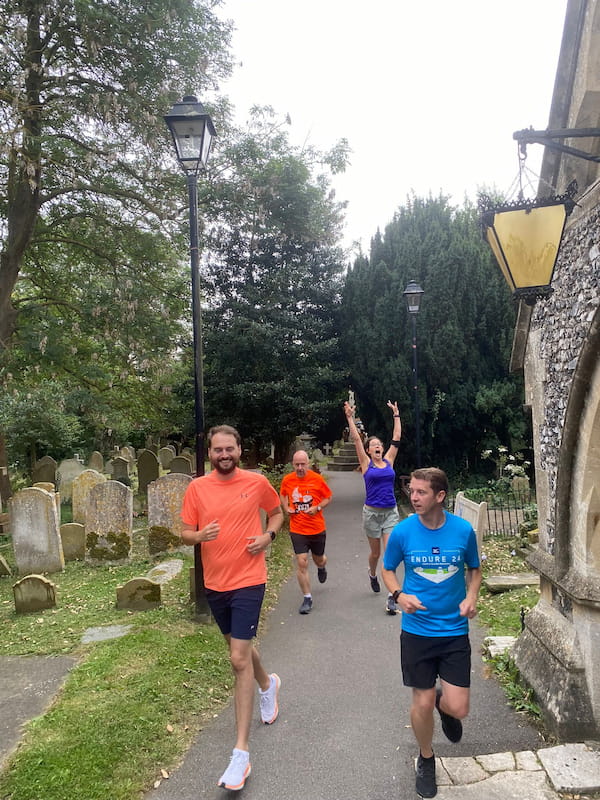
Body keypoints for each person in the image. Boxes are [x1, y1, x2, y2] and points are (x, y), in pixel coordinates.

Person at [180, 424, 284, 792]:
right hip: (215, 583)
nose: (224, 455)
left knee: (237, 658)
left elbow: (276, 513)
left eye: (230, 449)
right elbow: (184, 532)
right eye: (217, 450)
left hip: (249, 579)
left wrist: (268, 536)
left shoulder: (256, 483)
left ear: (240, 450)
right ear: (209, 453)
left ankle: (240, 754)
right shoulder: (197, 488)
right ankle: (267, 683)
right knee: (238, 649)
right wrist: (200, 536)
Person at [381, 467, 482, 798]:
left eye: (421, 492)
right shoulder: (403, 532)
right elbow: (388, 569)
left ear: (440, 496)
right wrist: (399, 595)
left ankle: (445, 703)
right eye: (412, 490)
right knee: (420, 702)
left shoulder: (463, 531)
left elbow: (474, 570)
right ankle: (426, 758)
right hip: (417, 632)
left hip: (453, 631)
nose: (414, 497)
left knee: (459, 708)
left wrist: (470, 597)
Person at [343, 398, 402, 614]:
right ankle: (372, 573)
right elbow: (357, 440)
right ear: (368, 451)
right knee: (375, 554)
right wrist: (350, 418)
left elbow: (396, 437)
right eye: (373, 446)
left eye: (379, 445)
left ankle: (391, 596)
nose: (377, 447)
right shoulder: (366, 464)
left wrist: (396, 414)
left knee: (390, 552)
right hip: (371, 514)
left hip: (390, 514)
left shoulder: (389, 461)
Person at [279, 449, 333, 614]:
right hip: (298, 528)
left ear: (308, 464)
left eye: (303, 464)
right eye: (297, 464)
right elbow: (282, 495)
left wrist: (317, 508)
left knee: (319, 560)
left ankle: (322, 567)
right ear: (293, 465)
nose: (300, 467)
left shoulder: (317, 479)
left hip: (316, 528)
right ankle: (307, 598)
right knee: (302, 561)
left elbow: (328, 497)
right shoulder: (288, 480)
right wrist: (286, 507)